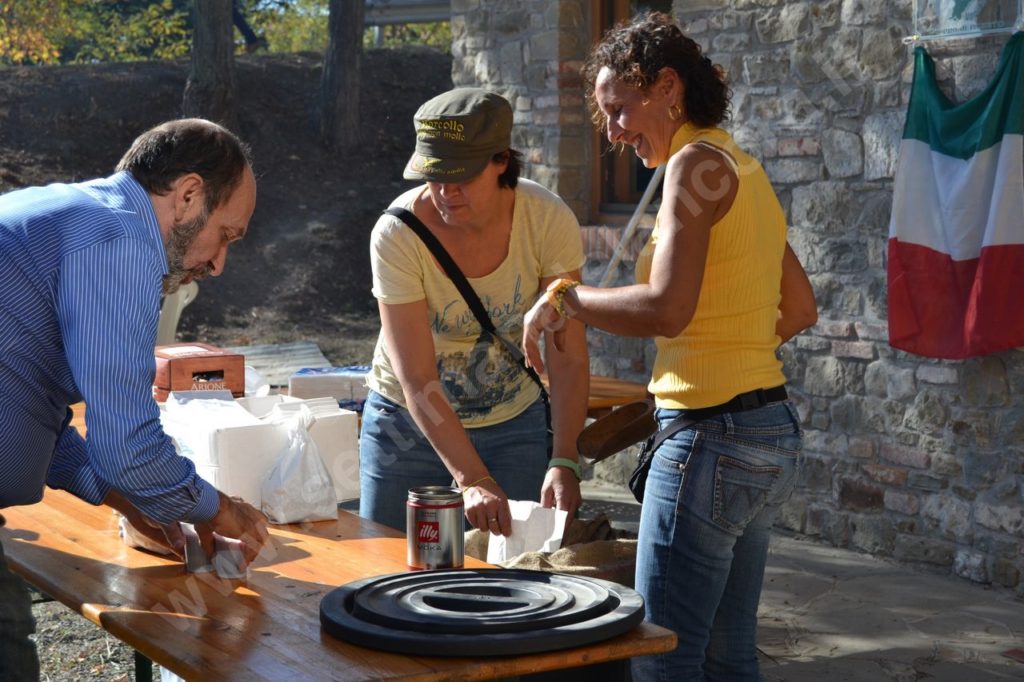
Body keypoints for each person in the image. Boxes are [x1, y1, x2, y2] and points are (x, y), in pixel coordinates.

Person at [523, 12, 818, 681]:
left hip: (709, 442)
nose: (612, 131)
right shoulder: (743, 166)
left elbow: (666, 308)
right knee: (727, 656)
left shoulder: (692, 167)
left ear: (666, 87)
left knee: (661, 660)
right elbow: (799, 308)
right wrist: (731, 346)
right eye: (603, 116)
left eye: (619, 109)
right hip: (769, 434)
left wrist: (564, 298)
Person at [0, 118, 271, 681]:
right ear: (189, 194)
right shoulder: (120, 239)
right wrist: (222, 509)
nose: (219, 264)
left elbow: (27, 403)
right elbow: (127, 444)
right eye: (226, 235)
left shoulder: (80, 215)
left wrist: (127, 500)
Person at [359, 88, 589, 536]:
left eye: (460, 176)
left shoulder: (547, 220)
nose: (445, 192)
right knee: (387, 573)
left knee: (514, 582)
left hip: (512, 422)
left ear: (501, 159)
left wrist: (564, 458)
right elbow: (417, 378)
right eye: (433, 176)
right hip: (407, 428)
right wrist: (471, 478)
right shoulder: (396, 234)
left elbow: (568, 354)